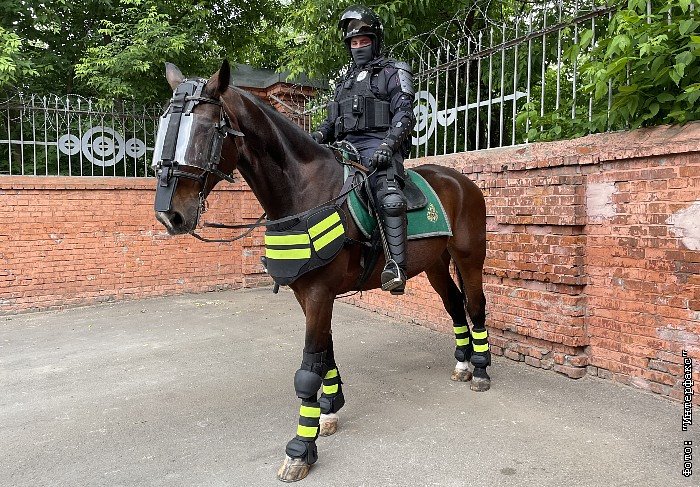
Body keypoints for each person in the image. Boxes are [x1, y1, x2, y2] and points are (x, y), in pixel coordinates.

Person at [310, 5, 416, 295]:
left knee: (388, 194)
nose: (358, 47)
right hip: (344, 147)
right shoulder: (343, 83)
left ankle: (396, 266)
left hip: (378, 146)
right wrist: (317, 136)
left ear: (375, 41)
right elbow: (331, 123)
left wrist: (388, 145)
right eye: (353, 43)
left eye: (364, 41)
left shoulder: (395, 71)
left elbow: (405, 115)